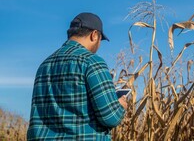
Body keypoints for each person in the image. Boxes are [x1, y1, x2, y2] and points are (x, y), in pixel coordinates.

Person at [27, 12, 127, 140]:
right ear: (94, 35)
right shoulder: (92, 61)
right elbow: (110, 117)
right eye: (100, 39)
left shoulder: (43, 66)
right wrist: (120, 106)